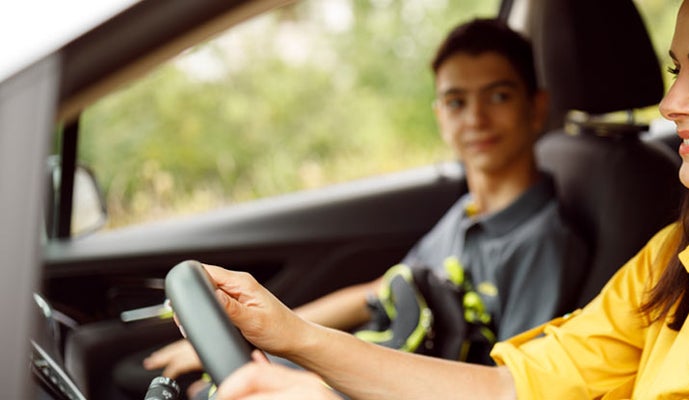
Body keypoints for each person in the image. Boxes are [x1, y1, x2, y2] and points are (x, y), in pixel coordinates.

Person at [201, 0, 689, 398]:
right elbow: (511, 388)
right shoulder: (683, 262)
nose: (671, 103)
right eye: (677, 69)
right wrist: (294, 337)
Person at [140, 17, 588, 394]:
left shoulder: (544, 242)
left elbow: (505, 386)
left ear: (536, 107)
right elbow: (377, 290)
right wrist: (262, 334)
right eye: (456, 101)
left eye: (498, 96)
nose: (475, 118)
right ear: (439, 116)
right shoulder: (467, 216)